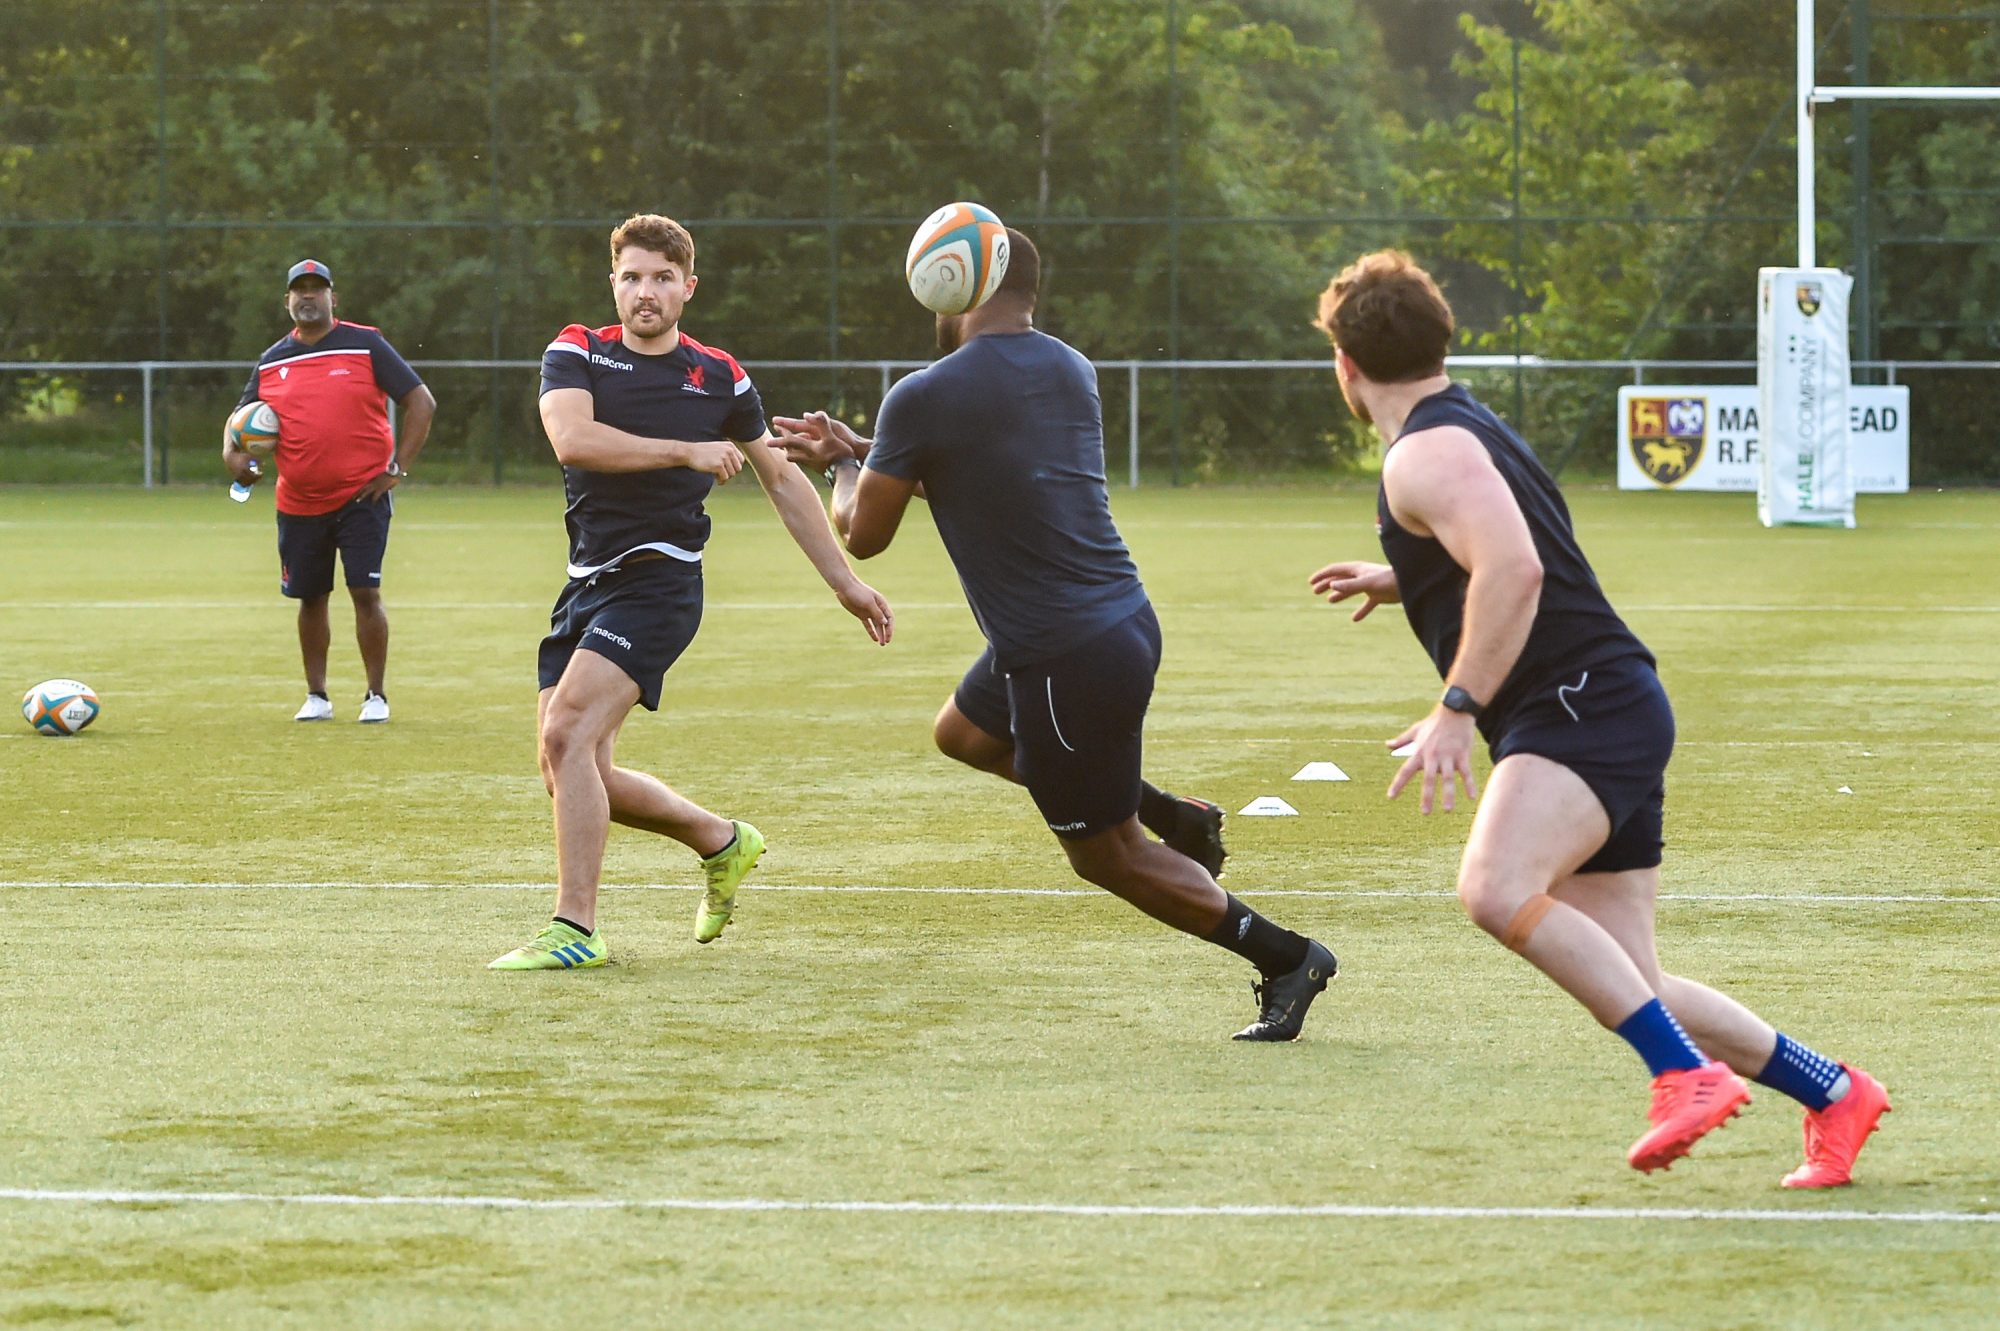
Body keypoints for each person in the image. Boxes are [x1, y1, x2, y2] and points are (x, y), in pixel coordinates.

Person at [1306, 250, 1889, 1183]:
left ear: (1344, 364)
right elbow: (1499, 545)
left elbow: (1519, 569)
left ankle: (1681, 1076)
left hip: (1577, 704)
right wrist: (1406, 571)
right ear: (1442, 339)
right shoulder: (1461, 426)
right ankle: (1832, 1089)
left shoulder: (1423, 449)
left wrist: (1456, 707)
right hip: (1610, 699)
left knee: (1494, 889)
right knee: (1634, 981)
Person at [772, 228, 1337, 1041]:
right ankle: (1176, 814)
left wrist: (842, 469)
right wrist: (870, 448)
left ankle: (1286, 956)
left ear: (953, 286)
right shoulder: (1070, 366)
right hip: (1116, 625)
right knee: (962, 732)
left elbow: (861, 535)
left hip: (1060, 659)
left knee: (1106, 855)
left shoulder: (922, 394)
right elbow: (984, 478)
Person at [489, 214, 894, 972]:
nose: (647, 292)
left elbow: (782, 477)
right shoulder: (576, 350)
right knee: (572, 767)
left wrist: (845, 579)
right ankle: (721, 839)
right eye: (633, 277)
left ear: (689, 287)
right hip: (585, 583)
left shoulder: (719, 374)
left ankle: (575, 928)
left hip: (661, 581)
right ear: (613, 282)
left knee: (564, 733)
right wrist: (686, 449)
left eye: (663, 278)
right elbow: (572, 441)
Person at [223, 259, 436, 724]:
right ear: (287, 301)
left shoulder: (365, 344)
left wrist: (397, 469)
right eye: (299, 290)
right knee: (311, 597)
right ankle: (317, 696)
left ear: (332, 299)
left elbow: (420, 401)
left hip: (363, 497)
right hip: (298, 502)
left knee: (365, 593)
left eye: (317, 289)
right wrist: (235, 459)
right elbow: (239, 420)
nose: (308, 296)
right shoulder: (273, 359)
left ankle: (375, 695)